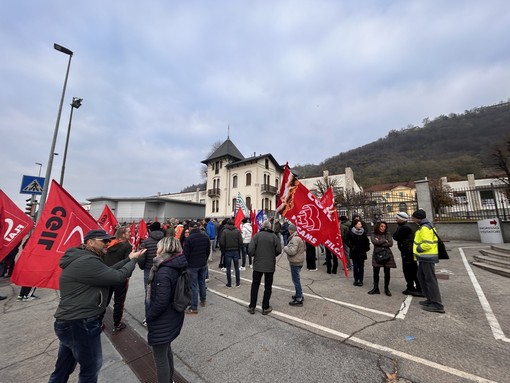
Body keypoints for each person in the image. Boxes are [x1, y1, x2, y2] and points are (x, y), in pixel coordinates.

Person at [48, 229, 145, 383]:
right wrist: (133, 261)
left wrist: (128, 259)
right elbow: (118, 276)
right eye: (104, 241)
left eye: (109, 240)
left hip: (71, 321)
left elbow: (107, 271)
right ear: (90, 242)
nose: (108, 243)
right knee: (90, 368)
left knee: (63, 367)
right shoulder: (87, 261)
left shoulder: (85, 257)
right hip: (80, 322)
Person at [145, 236, 187, 383]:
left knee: (160, 357)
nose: (156, 251)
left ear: (165, 249)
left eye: (158, 248)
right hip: (172, 315)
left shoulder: (164, 271)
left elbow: (161, 301)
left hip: (163, 319)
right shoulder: (176, 264)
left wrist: (150, 315)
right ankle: (169, 379)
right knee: (166, 349)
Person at [411, 209, 445, 313]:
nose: (412, 219)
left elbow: (428, 243)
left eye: (413, 217)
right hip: (423, 258)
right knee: (421, 277)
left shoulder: (425, 228)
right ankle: (430, 299)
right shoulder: (424, 226)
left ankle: (437, 304)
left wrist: (418, 248)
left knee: (430, 280)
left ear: (418, 218)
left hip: (427, 257)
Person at [103, 225, 133, 334]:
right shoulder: (127, 246)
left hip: (107, 275)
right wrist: (127, 276)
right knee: (119, 302)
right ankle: (117, 324)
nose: (131, 233)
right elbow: (129, 262)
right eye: (128, 232)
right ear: (123, 234)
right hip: (120, 277)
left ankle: (98, 322)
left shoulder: (108, 244)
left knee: (105, 300)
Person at [247, 220, 282, 315]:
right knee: (268, 286)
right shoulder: (274, 236)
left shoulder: (257, 236)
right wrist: (272, 254)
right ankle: (265, 307)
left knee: (255, 285)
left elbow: (250, 250)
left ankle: (252, 306)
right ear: (270, 227)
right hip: (269, 265)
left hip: (258, 264)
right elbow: (279, 250)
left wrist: (256, 254)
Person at [183, 221, 210, 314]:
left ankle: (194, 307)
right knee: (202, 282)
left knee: (194, 286)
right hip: (203, 263)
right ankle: (203, 300)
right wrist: (204, 259)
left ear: (190, 228)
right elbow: (208, 250)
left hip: (193, 265)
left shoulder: (189, 239)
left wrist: (185, 264)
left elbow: (186, 254)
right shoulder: (205, 236)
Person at [393, 212, 422, 296]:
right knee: (409, 271)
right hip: (406, 252)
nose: (396, 219)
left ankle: (417, 288)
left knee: (410, 271)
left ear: (402, 219)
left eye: (397, 218)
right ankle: (410, 287)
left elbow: (395, 237)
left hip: (408, 252)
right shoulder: (403, 226)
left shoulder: (404, 228)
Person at [368, 221, 397, 296]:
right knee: (376, 272)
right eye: (381, 226)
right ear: (378, 226)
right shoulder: (374, 233)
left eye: (384, 227)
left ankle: (386, 288)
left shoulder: (388, 234)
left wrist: (380, 241)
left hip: (387, 254)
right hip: (377, 254)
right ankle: (375, 288)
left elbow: (390, 243)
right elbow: (374, 242)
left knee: (387, 272)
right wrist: (384, 240)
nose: (383, 228)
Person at [285, 224, 306, 306]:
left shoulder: (295, 239)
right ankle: (299, 294)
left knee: (296, 280)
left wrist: (286, 248)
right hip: (299, 260)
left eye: (289, 229)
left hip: (295, 261)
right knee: (296, 279)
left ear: (291, 230)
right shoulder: (299, 237)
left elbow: (292, 251)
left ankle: (299, 299)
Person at [345, 219, 370, 286]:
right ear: (355, 225)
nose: (360, 225)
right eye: (359, 224)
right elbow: (346, 240)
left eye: (361, 224)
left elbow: (367, 241)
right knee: (355, 266)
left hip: (362, 251)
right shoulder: (350, 232)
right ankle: (356, 280)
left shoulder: (363, 232)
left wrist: (366, 248)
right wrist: (351, 247)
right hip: (354, 251)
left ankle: (361, 280)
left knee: (361, 266)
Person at [219, 219, 243, 287]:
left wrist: (223, 250)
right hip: (235, 250)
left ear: (227, 224)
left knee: (228, 268)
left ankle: (229, 283)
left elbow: (222, 242)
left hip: (227, 251)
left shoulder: (225, 231)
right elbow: (240, 242)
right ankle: (237, 282)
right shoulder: (237, 231)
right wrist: (239, 250)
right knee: (236, 267)